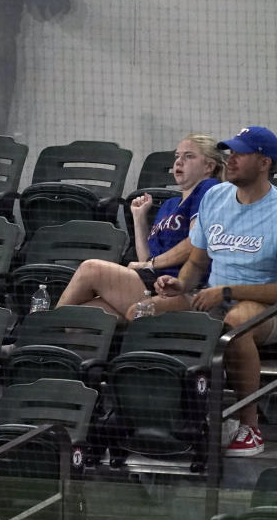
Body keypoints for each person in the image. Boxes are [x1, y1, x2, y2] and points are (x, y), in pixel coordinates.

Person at [145, 126, 277, 458]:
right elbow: (197, 262)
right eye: (229, 152)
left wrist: (226, 291)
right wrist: (179, 285)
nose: (230, 159)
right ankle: (160, 415)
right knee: (145, 312)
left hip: (265, 306)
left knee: (234, 325)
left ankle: (250, 428)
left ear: (264, 163)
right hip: (215, 295)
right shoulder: (215, 198)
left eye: (240, 153)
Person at [57, 135, 224, 318]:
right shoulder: (169, 205)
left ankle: (45, 329)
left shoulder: (209, 188)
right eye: (177, 156)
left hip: (178, 287)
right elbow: (147, 259)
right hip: (152, 282)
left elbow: (195, 243)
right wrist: (139, 219)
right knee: (84, 317)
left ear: (209, 166)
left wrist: (150, 264)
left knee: (91, 269)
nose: (179, 162)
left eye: (189, 156)